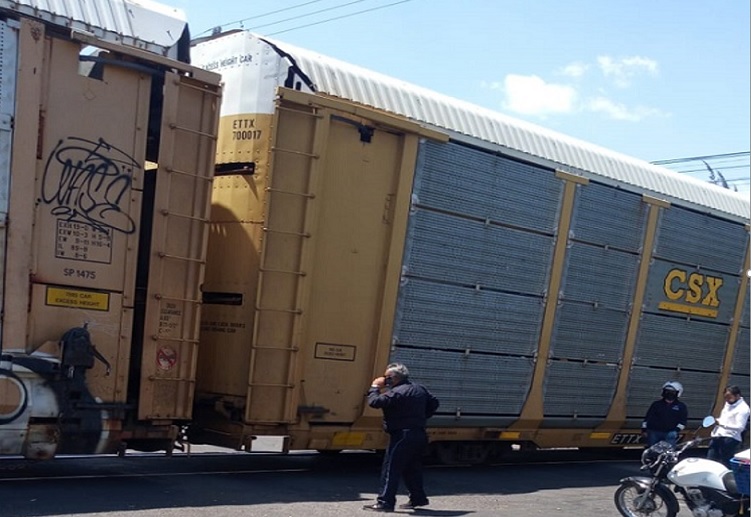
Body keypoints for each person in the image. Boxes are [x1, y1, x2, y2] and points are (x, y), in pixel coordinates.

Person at [362, 363, 440, 512]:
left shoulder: (397, 392)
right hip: (419, 433)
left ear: (393, 378)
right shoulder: (419, 389)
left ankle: (385, 502)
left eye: (386, 378)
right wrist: (422, 417)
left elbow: (375, 402)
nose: (385, 380)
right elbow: (434, 402)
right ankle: (418, 498)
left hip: (402, 436)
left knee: (391, 469)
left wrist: (374, 387)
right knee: (412, 468)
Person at [707, 385, 751, 468]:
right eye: (725, 397)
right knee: (710, 460)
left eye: (729, 397)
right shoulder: (728, 404)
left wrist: (722, 424)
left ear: (737, 396)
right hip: (718, 435)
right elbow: (724, 418)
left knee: (725, 462)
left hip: (730, 438)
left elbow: (740, 427)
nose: (727, 399)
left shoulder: (743, 409)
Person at [641, 381, 688, 447]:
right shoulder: (656, 404)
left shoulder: (681, 406)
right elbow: (647, 418)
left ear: (678, 393)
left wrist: (675, 431)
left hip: (670, 433)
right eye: (667, 391)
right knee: (652, 452)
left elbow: (683, 421)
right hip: (654, 432)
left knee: (668, 453)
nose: (669, 393)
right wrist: (644, 430)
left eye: (672, 392)